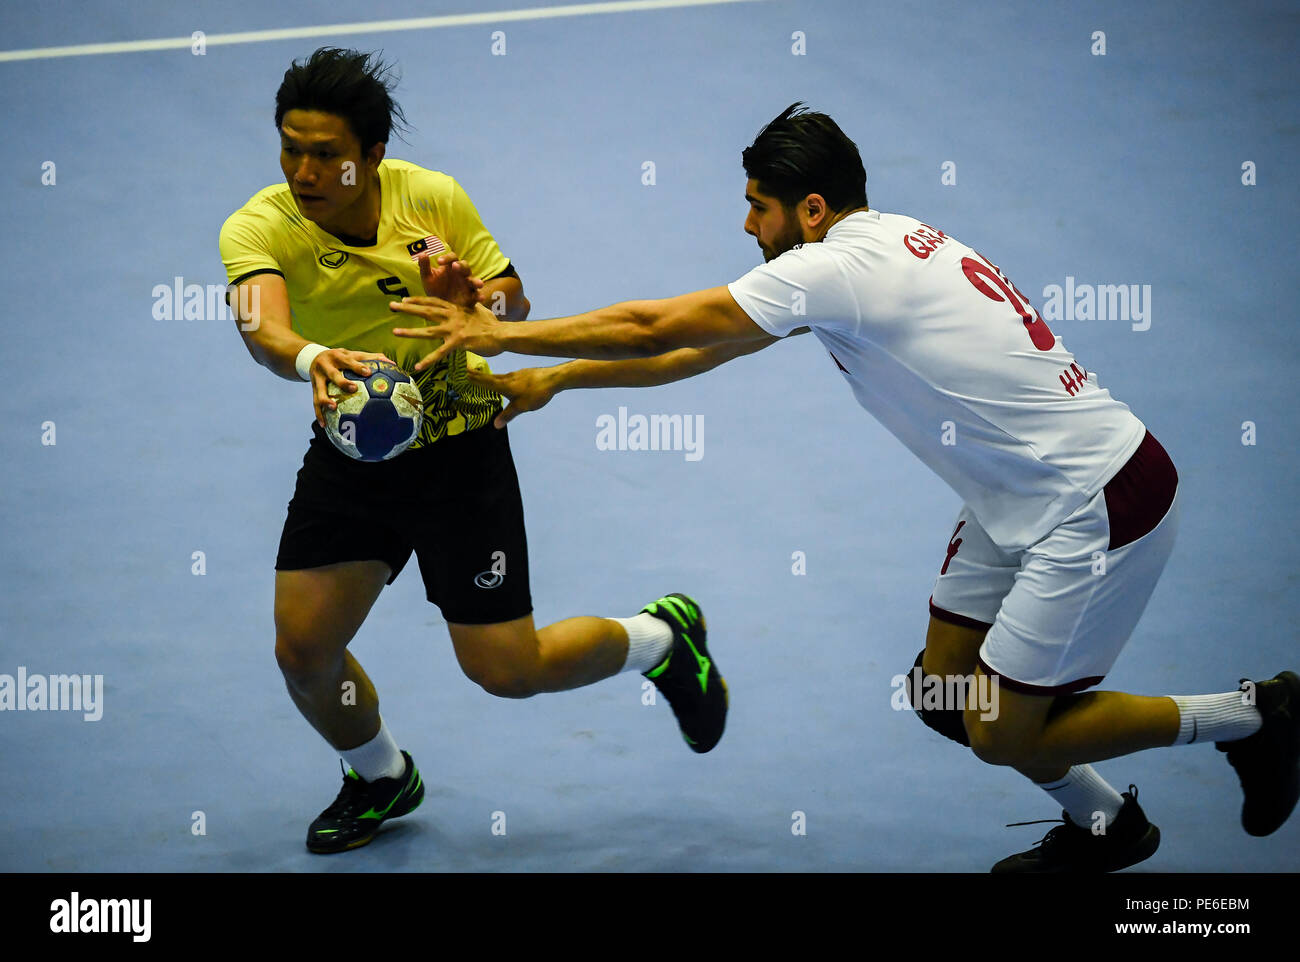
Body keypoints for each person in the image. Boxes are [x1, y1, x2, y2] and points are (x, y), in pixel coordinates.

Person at [388, 102, 1300, 872]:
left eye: (759, 209)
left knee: (1003, 731)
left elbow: (651, 320)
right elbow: (700, 346)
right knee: (946, 692)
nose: (749, 227)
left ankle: (1250, 719)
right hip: (1012, 496)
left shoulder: (837, 266)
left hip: (1097, 501)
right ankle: (1108, 825)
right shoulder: (878, 243)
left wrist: (505, 336)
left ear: (811, 208)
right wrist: (561, 380)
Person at [218, 47, 732, 855]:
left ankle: (663, 641)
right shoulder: (258, 224)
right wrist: (310, 357)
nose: (304, 170)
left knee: (506, 670)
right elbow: (261, 326)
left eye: (326, 154)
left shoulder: (433, 198)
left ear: (372, 156)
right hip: (356, 451)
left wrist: (477, 301)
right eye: (291, 147)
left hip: (462, 448)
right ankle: (382, 775)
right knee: (304, 650)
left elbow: (512, 296)